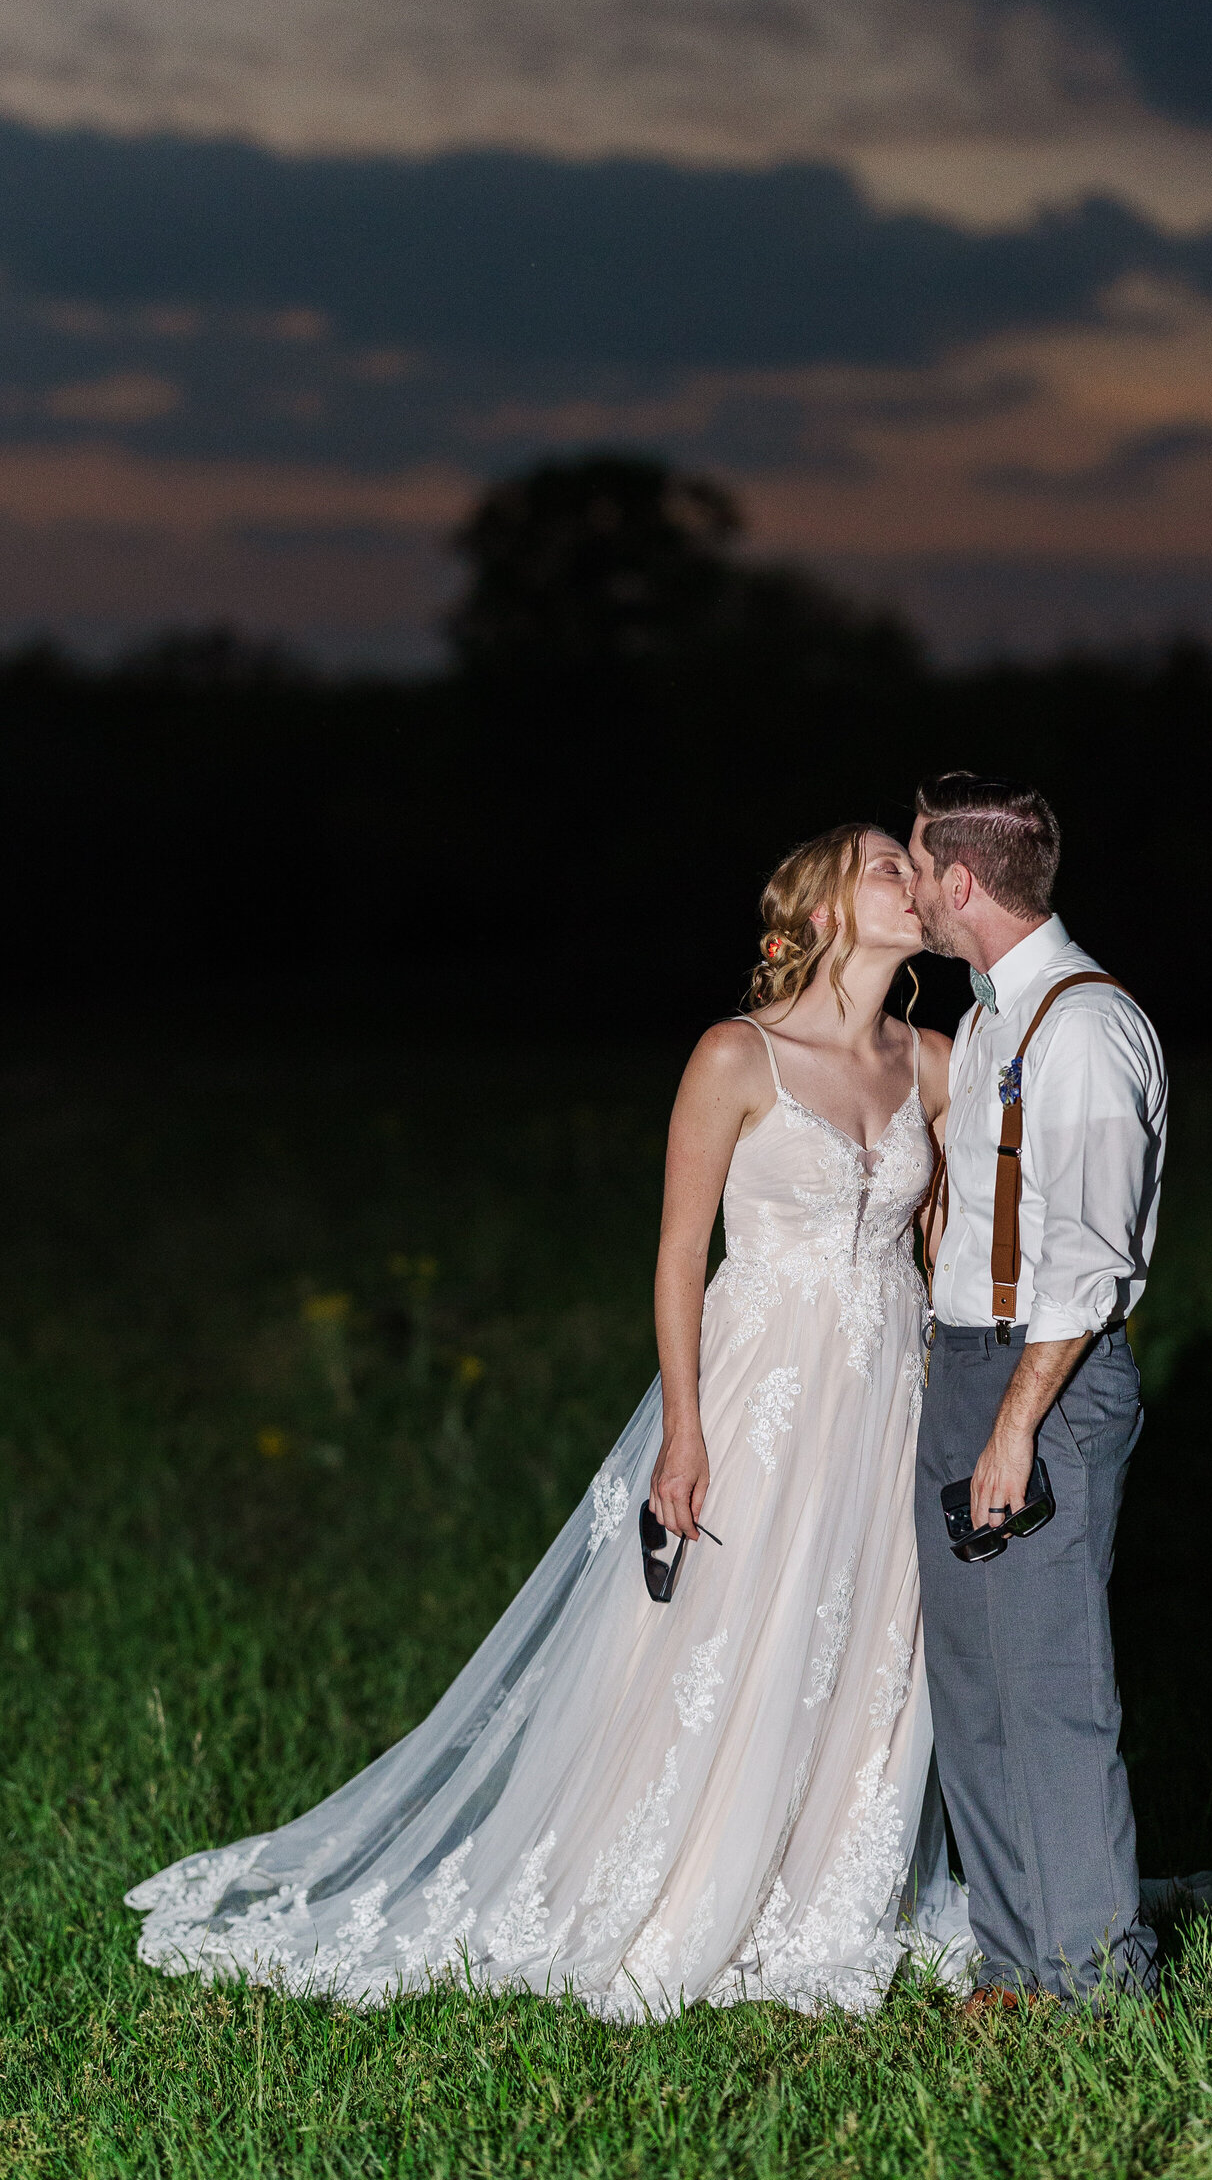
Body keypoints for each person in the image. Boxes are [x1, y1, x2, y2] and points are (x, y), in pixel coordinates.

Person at [126, 824, 974, 2020]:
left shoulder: (932, 1059)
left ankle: (824, 1888)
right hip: (758, 1387)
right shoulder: (738, 1056)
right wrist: (683, 1432)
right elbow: (680, 1259)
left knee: (865, 1638)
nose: (910, 878)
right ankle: (671, 1883)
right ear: (827, 910)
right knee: (723, 1635)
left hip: (890, 1395)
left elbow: (960, 1234)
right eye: (885, 862)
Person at [907, 772, 1167, 2008]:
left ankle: (1095, 1979)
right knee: (977, 1688)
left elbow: (1091, 1257)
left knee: (1049, 1685)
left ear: (959, 882)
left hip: (1043, 1381)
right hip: (968, 1363)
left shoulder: (1084, 1025)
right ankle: (1017, 1963)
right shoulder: (987, 1014)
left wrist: (1013, 1427)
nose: (908, 889)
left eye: (915, 867)